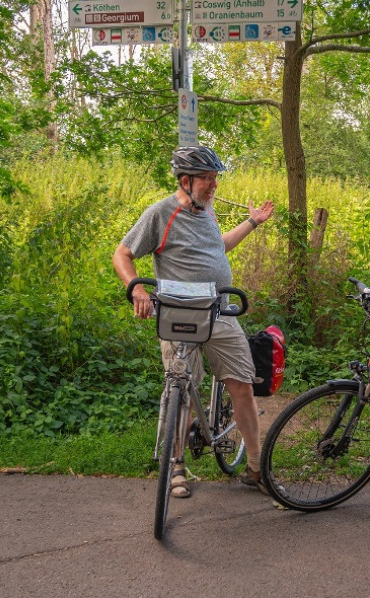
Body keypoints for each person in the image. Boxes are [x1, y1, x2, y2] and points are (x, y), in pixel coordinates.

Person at [112, 146, 275, 498]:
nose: (214, 185)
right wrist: (136, 290)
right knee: (181, 387)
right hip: (179, 314)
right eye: (208, 179)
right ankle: (176, 466)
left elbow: (219, 247)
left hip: (220, 311)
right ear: (185, 181)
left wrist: (251, 223)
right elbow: (122, 253)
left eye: (216, 178)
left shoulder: (208, 211)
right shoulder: (161, 214)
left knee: (243, 385)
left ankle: (257, 467)